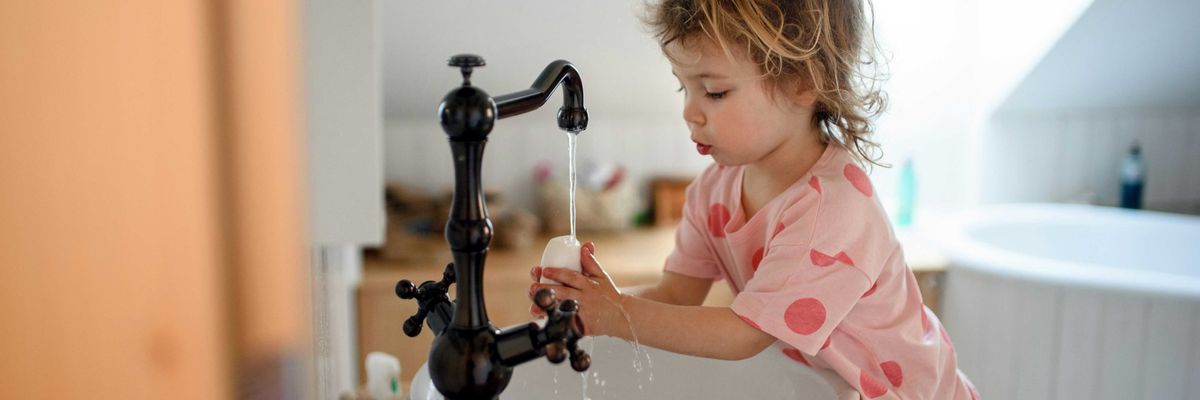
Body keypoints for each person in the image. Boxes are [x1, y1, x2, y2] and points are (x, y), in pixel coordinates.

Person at [530, 1, 978, 398]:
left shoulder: (833, 209)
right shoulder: (714, 192)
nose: (689, 110)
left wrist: (616, 313)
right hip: (822, 382)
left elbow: (745, 334)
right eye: (682, 86)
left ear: (803, 82)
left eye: (715, 91)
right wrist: (594, 301)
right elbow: (676, 295)